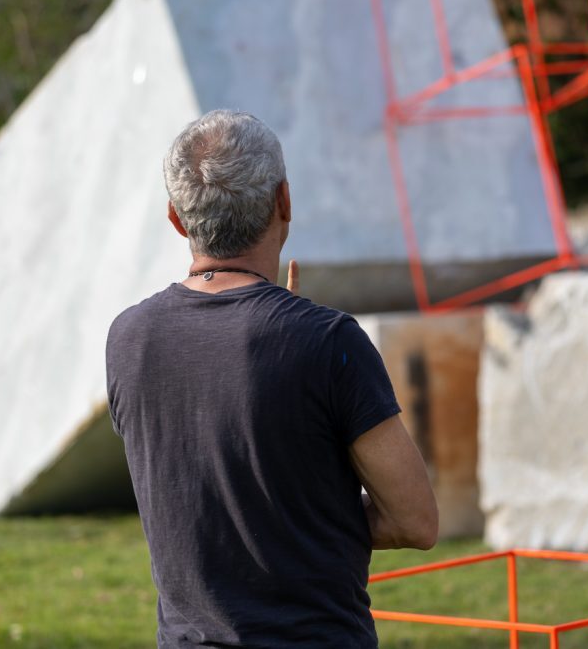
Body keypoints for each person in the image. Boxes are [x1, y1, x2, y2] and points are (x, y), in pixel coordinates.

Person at [106, 109, 438, 648]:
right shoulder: (327, 343)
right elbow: (415, 520)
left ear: (176, 218)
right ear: (284, 200)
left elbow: (205, 488)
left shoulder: (127, 338)